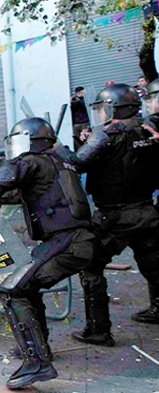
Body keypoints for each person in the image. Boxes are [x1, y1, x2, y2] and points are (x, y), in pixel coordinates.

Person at [0, 117, 96, 389]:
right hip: (75, 240)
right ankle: (37, 350)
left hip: (66, 240)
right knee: (27, 286)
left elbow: (3, 179)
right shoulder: (57, 162)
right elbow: (19, 194)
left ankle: (37, 362)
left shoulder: (34, 161)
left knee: (12, 290)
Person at [68, 84, 159, 344]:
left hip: (114, 215)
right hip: (147, 210)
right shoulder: (148, 129)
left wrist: (64, 149)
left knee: (90, 264)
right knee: (154, 265)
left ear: (113, 108)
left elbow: (77, 162)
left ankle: (98, 330)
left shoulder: (108, 134)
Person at [70, 87, 89, 151]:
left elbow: (86, 107)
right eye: (79, 92)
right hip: (76, 124)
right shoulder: (74, 101)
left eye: (81, 92)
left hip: (85, 123)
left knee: (86, 139)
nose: (80, 93)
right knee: (78, 142)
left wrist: (79, 101)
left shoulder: (85, 100)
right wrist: (72, 102)